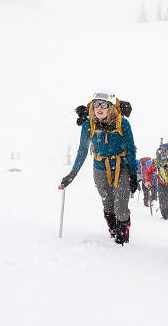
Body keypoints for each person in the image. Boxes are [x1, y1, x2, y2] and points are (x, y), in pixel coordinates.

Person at [59, 91, 138, 245]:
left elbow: (130, 149)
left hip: (121, 168)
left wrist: (134, 174)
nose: (99, 108)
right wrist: (72, 174)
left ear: (111, 107)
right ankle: (114, 230)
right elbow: (82, 151)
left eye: (103, 104)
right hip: (100, 168)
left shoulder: (123, 123)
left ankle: (122, 239)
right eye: (96, 104)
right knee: (108, 203)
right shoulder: (88, 125)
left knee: (121, 206)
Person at [143, 144, 168, 219]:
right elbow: (147, 172)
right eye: (160, 161)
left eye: (163, 161)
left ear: (167, 157)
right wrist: (147, 181)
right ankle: (165, 219)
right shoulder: (155, 163)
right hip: (162, 184)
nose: (162, 163)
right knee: (163, 204)